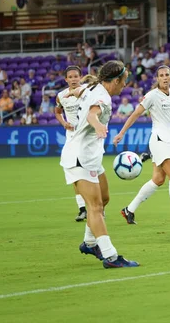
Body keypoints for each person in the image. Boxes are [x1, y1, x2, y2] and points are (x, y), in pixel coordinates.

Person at [59, 60, 139, 268]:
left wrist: (71, 94)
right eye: (123, 81)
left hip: (91, 156)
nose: (124, 85)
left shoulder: (92, 87)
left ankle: (89, 242)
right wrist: (97, 127)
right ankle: (111, 256)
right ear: (114, 80)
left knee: (103, 199)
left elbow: (79, 92)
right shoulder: (102, 96)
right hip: (79, 157)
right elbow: (93, 114)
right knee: (94, 206)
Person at [116, 65, 170, 225]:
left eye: (167, 74)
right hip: (160, 140)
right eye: (162, 75)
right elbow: (136, 113)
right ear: (157, 79)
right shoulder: (152, 95)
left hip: (167, 140)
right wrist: (122, 132)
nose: (165, 77)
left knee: (158, 179)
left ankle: (129, 210)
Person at [55, 66, 88, 222]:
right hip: (71, 138)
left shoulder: (88, 91)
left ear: (81, 77)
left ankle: (98, 207)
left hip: (88, 137)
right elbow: (57, 112)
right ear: (66, 79)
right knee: (73, 172)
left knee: (91, 172)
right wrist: (64, 123)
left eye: (76, 76)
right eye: (71, 77)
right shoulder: (61, 96)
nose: (74, 79)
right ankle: (82, 208)